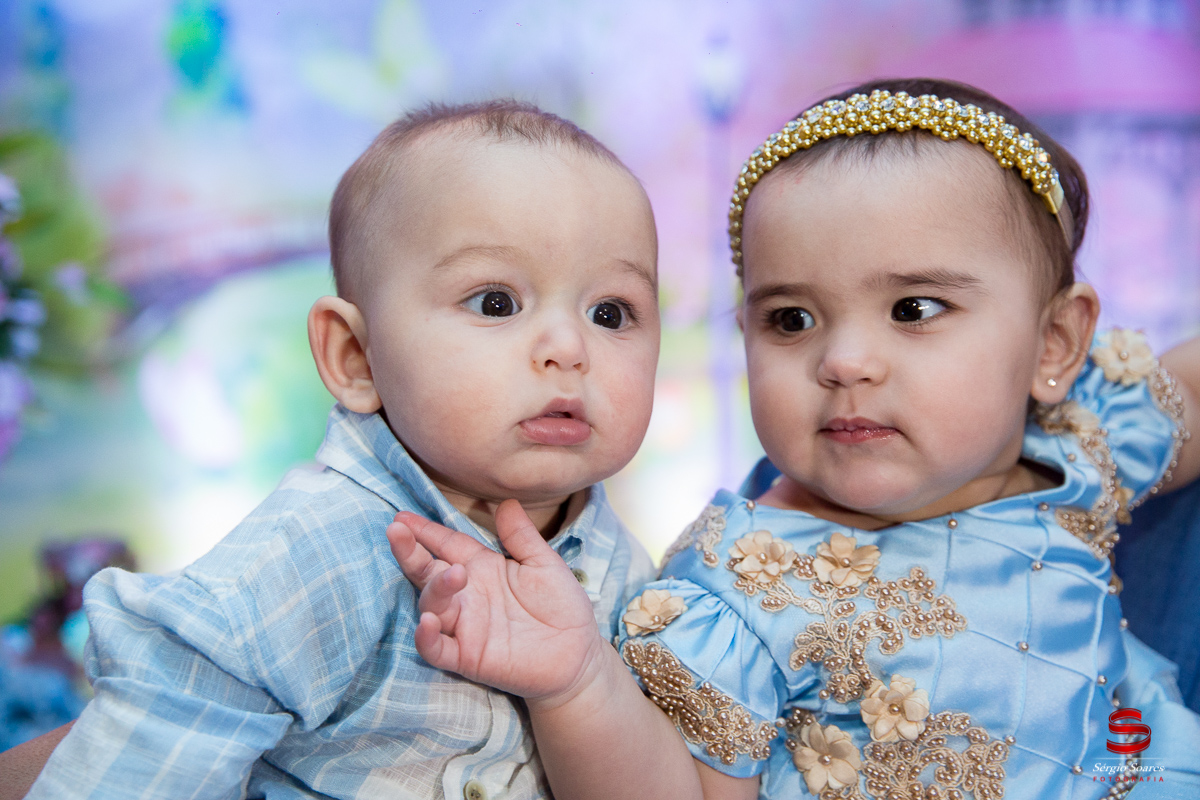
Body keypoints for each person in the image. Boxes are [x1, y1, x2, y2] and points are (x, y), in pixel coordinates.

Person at [388, 78, 1200, 799]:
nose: (843, 361)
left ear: (1054, 344)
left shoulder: (1083, 444)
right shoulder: (746, 585)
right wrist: (576, 687)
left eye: (914, 309)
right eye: (791, 319)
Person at [19, 99, 662, 799]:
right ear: (356, 355)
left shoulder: (625, 566)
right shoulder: (319, 549)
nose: (569, 348)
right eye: (496, 302)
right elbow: (154, 747)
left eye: (610, 313)